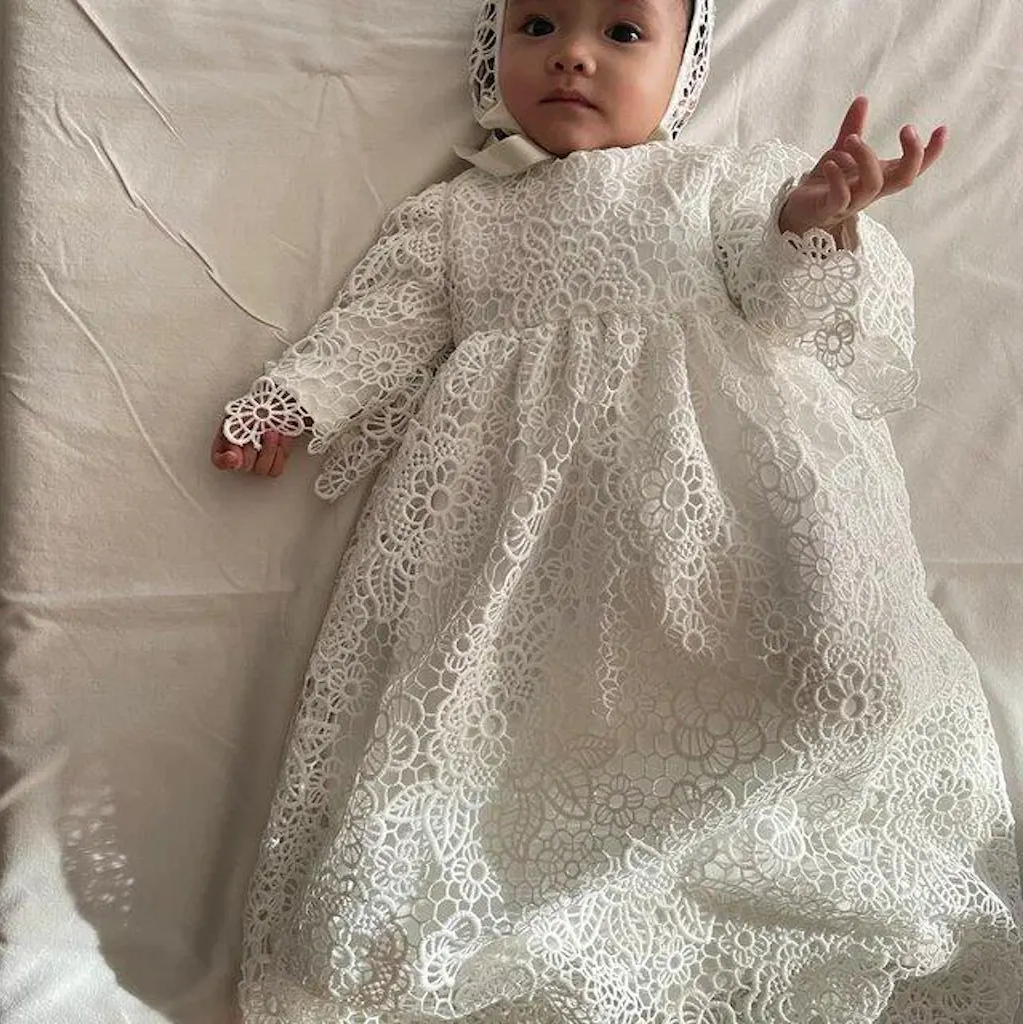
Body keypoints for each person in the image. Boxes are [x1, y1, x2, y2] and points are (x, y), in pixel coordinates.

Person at [211, 0, 1022, 1020]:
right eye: (537, 26)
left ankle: (776, 879)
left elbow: (792, 312)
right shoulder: (459, 216)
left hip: (723, 517)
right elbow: (383, 323)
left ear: (686, 68)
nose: (573, 56)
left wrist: (816, 223)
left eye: (623, 33)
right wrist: (294, 401)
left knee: (840, 680)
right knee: (481, 729)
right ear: (491, 52)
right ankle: (571, 922)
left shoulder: (718, 184)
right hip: (517, 537)